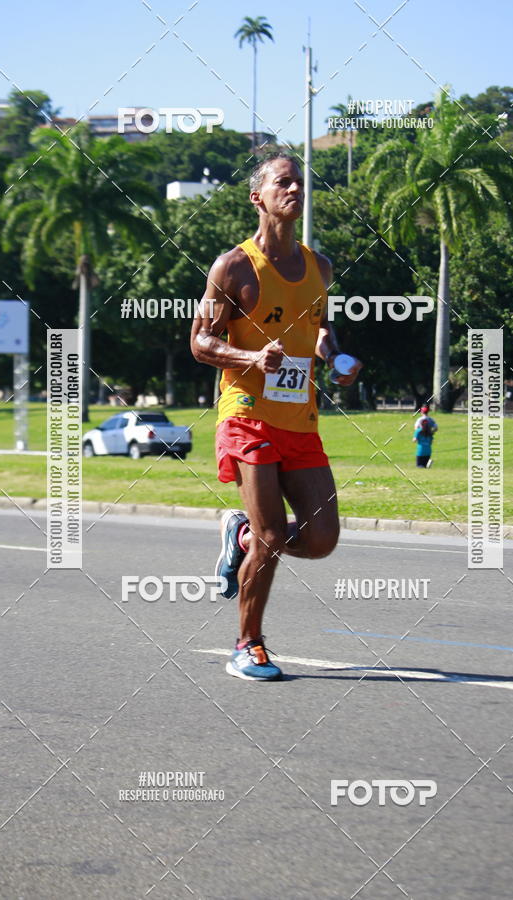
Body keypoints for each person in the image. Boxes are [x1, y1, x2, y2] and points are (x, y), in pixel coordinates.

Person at [190, 151, 362, 682]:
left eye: (299, 183)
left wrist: (335, 357)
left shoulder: (319, 266)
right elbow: (200, 342)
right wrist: (249, 358)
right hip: (246, 414)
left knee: (321, 538)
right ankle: (248, 645)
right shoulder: (233, 267)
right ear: (257, 197)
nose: (295, 189)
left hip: (299, 419)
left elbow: (319, 328)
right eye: (283, 182)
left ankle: (240, 537)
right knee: (271, 535)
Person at [413, 403, 438, 468]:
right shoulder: (431, 419)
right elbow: (436, 427)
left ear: (422, 412)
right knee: (426, 465)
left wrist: (418, 433)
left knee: (419, 465)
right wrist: (431, 432)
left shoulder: (419, 420)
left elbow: (416, 428)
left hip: (420, 448)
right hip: (428, 444)